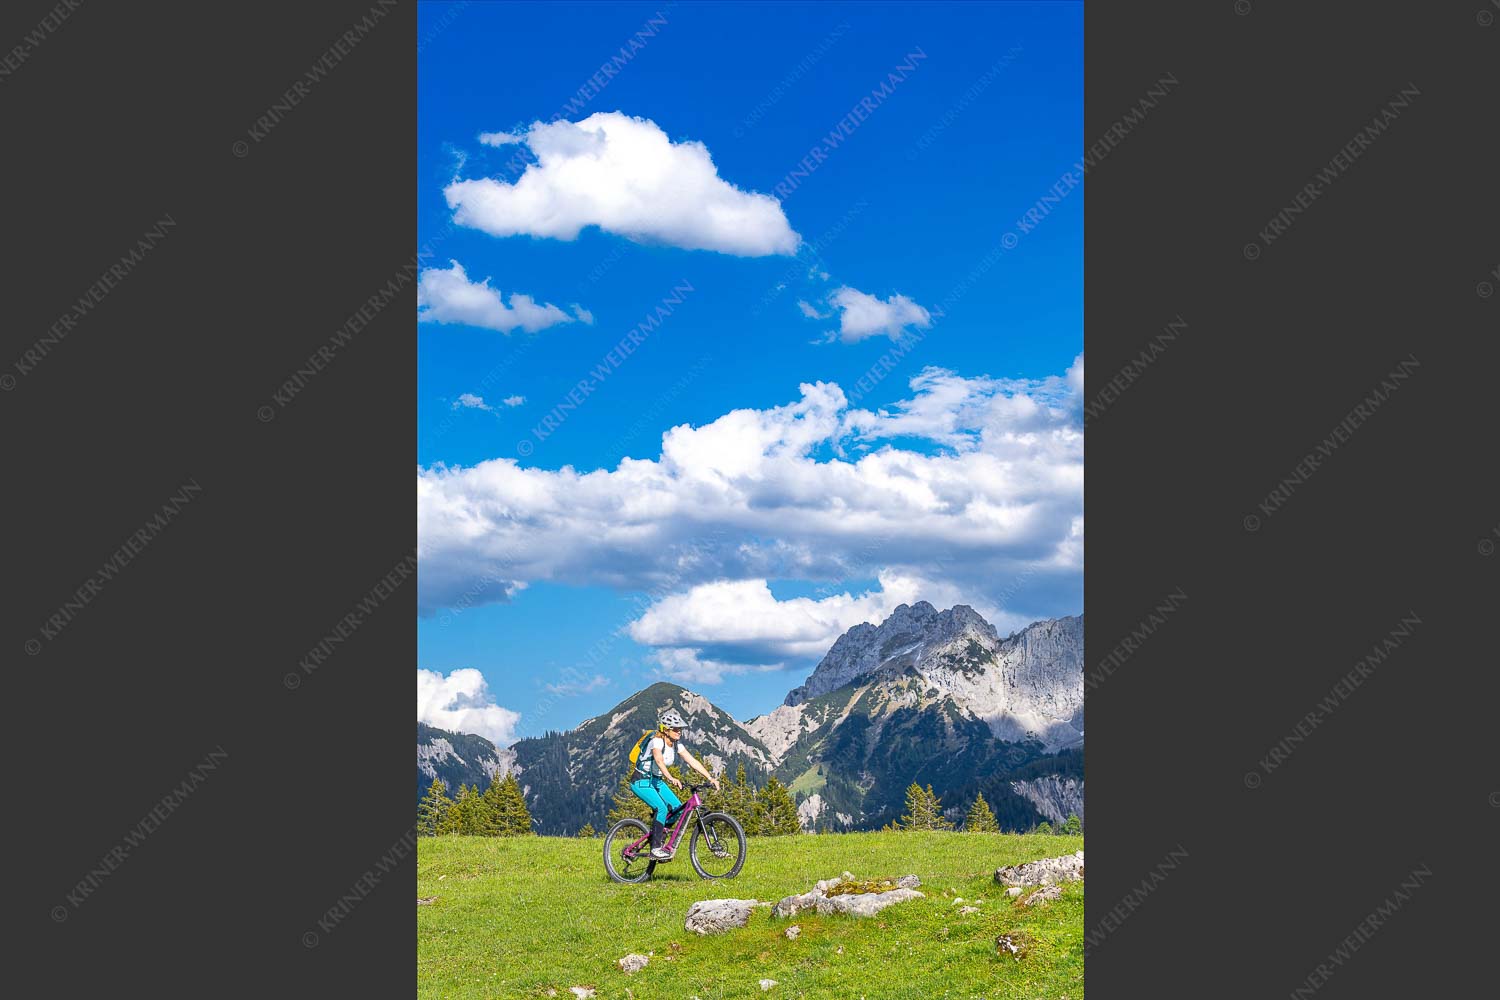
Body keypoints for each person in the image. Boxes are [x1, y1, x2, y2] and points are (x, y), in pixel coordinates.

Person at [631, 709, 720, 860]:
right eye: (676, 729)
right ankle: (655, 848)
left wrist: (710, 777)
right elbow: (658, 760)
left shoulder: (676, 745)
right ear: (665, 730)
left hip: (656, 781)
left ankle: (659, 837)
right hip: (641, 781)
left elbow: (692, 761)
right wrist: (671, 777)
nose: (679, 732)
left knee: (678, 809)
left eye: (680, 729)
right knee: (661, 808)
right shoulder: (657, 741)